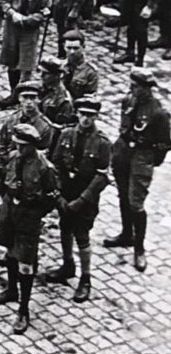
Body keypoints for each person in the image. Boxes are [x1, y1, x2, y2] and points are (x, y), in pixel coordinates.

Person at [0, 122, 59, 335]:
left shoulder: (44, 168)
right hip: (10, 210)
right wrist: (9, 200)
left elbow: (51, 197)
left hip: (29, 216)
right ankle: (11, 290)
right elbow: (2, 182)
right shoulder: (13, 158)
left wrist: (34, 211)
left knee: (26, 264)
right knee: (10, 251)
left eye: (23, 146)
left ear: (33, 146)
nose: (19, 149)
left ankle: (23, 310)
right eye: (17, 144)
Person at [44, 98, 111, 302]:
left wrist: (81, 201)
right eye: (83, 114)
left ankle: (85, 278)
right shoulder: (66, 134)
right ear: (78, 114)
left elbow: (102, 176)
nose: (86, 119)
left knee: (82, 235)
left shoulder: (102, 143)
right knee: (65, 227)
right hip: (67, 192)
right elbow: (55, 164)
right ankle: (67, 265)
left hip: (86, 197)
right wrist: (59, 196)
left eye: (90, 115)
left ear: (96, 117)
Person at [104, 67, 170, 272]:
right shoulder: (128, 100)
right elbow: (123, 125)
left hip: (142, 154)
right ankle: (126, 234)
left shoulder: (158, 112)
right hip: (123, 151)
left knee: (136, 201)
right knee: (123, 194)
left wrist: (150, 160)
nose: (131, 89)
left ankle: (139, 248)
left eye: (135, 87)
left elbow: (166, 143)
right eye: (131, 85)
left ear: (146, 88)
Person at [0, 0, 53, 108]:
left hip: (29, 30)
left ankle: (25, 96)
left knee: (26, 64)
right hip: (12, 26)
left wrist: (27, 19)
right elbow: (5, 1)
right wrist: (12, 13)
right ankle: (13, 93)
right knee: (11, 61)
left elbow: (46, 12)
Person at [62, 30, 98, 100]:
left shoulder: (90, 71)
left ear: (83, 47)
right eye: (68, 48)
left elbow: (89, 98)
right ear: (64, 47)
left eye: (76, 48)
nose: (72, 52)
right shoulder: (60, 66)